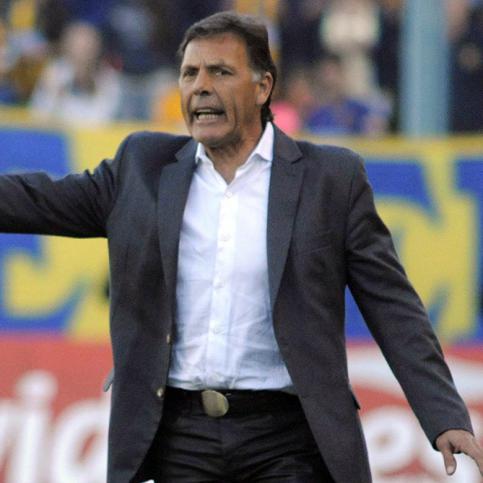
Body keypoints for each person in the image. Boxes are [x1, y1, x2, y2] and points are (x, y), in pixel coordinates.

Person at [0, 11, 482, 483]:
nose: (200, 86)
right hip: (178, 436)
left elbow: (393, 306)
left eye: (220, 72)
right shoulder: (142, 168)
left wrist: (444, 414)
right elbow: (35, 200)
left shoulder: (331, 180)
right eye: (189, 73)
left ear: (263, 87)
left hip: (288, 439)